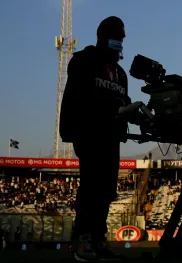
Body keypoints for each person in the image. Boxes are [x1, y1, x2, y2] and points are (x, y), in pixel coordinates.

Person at [60, 16, 130, 261]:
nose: (120, 42)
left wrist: (129, 113)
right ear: (102, 36)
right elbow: (79, 97)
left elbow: (123, 102)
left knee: (107, 190)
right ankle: (83, 240)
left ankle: (98, 239)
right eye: (116, 37)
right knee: (91, 188)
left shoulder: (121, 73)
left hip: (111, 138)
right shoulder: (84, 60)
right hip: (89, 134)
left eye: (122, 38)